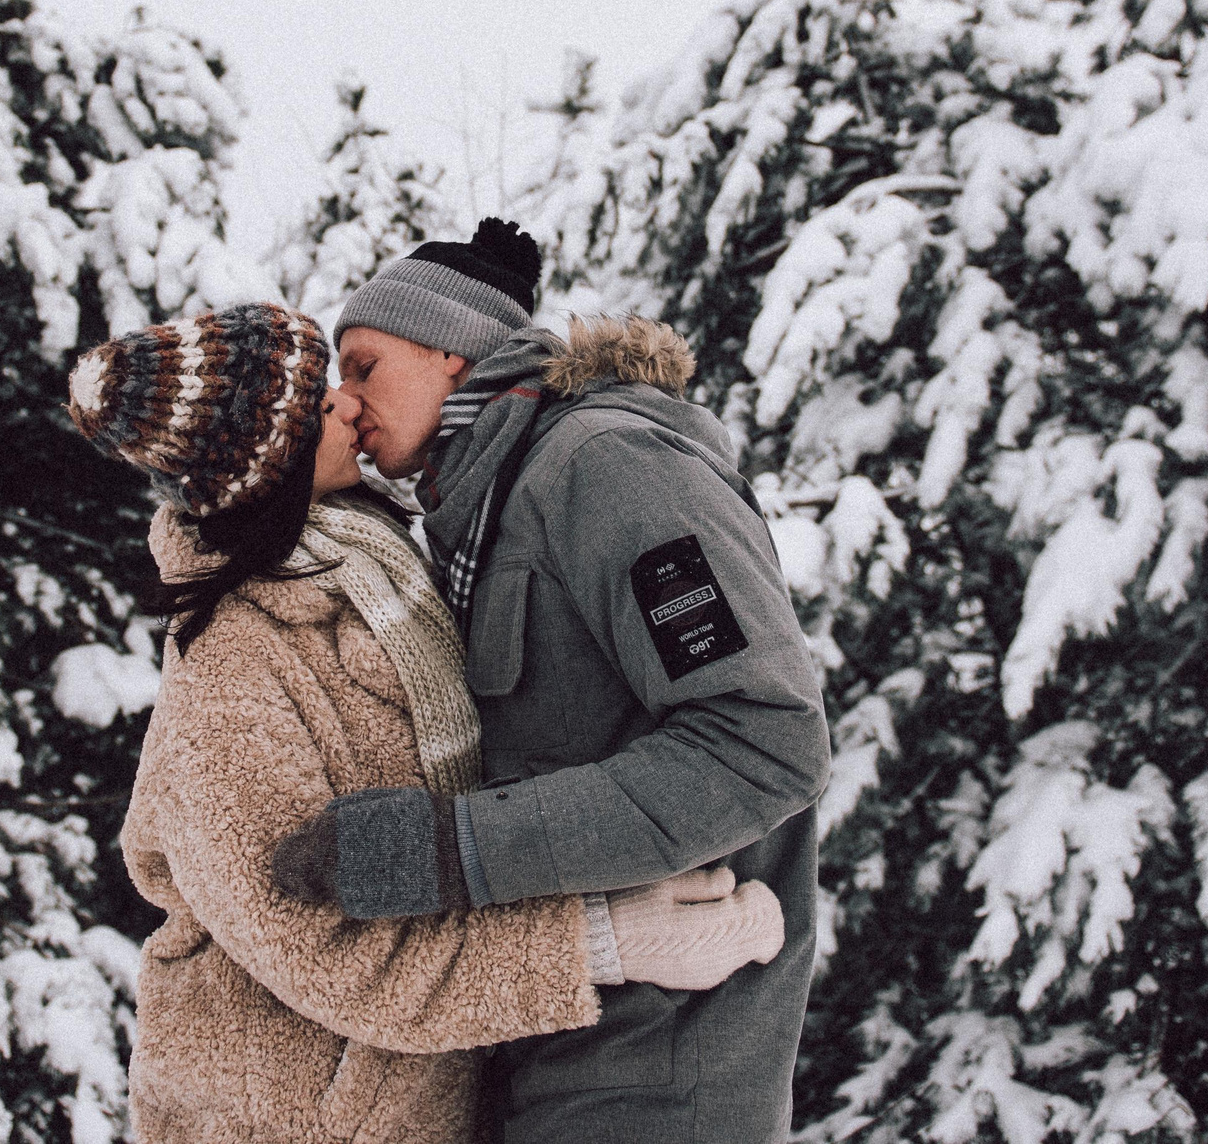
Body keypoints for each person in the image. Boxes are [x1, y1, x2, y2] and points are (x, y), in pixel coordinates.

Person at [65, 301, 787, 1144]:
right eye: (309, 403)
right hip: (282, 1120)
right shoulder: (230, 671)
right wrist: (603, 941)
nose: (340, 401)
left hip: (414, 1104)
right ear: (261, 467)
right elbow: (327, 948)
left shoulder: (377, 567)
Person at [268, 223, 833, 1144]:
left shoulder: (608, 467)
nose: (346, 397)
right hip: (557, 1058)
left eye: (363, 363)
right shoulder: (486, 513)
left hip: (659, 1079)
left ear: (450, 352)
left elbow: (764, 739)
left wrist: (445, 851)